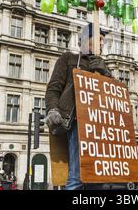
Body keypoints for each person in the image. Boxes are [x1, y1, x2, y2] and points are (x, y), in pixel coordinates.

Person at [45, 23, 111, 190]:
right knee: (78, 173)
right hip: (78, 121)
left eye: (103, 41)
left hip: (101, 125)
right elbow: (53, 87)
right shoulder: (68, 58)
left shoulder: (103, 65)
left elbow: (114, 94)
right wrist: (52, 109)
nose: (102, 44)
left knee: (97, 177)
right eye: (99, 39)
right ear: (85, 40)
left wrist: (106, 73)